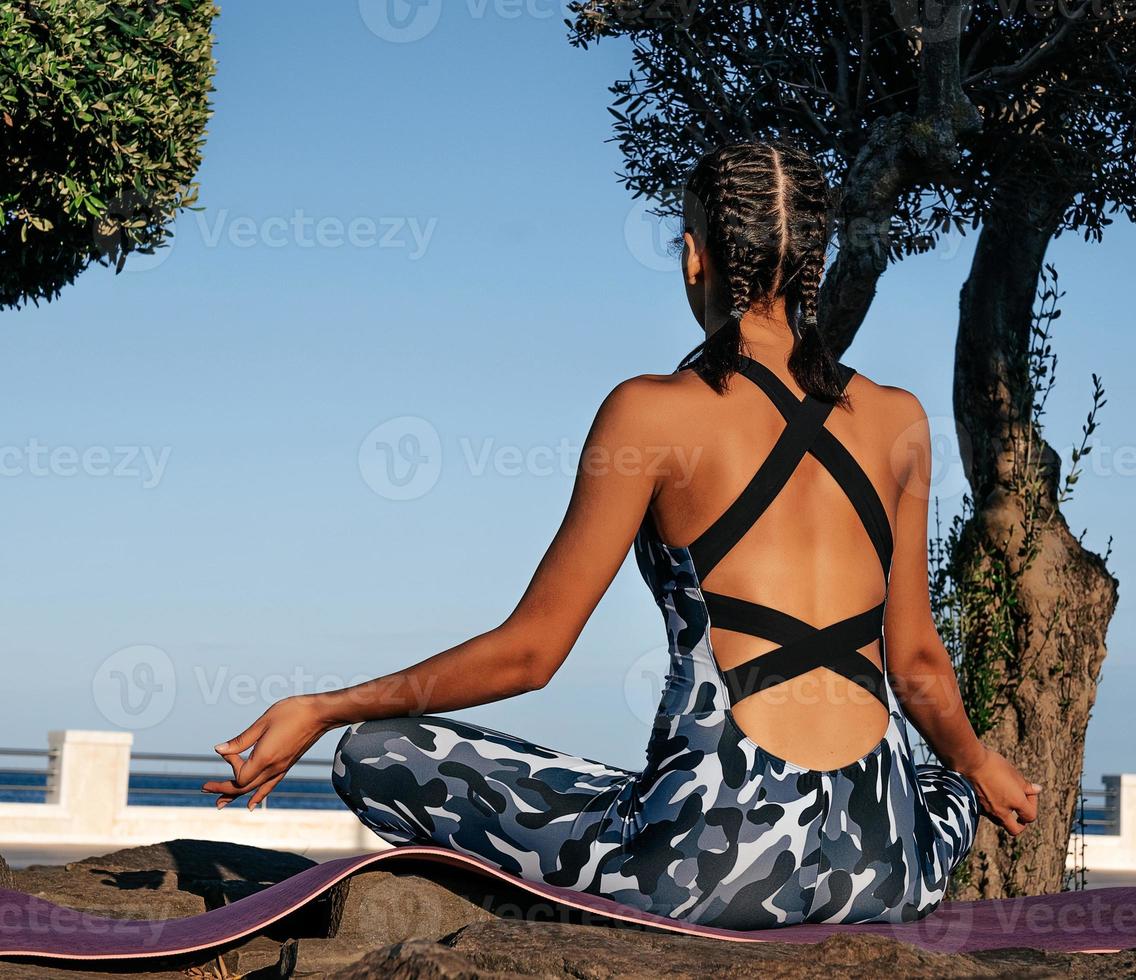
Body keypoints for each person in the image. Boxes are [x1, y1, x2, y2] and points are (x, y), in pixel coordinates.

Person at [203, 141, 1041, 930]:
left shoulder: (650, 411)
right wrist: (978, 766)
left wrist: (322, 707)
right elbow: (920, 662)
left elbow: (528, 656)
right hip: (883, 870)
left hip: (709, 871)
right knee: (946, 784)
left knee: (373, 751)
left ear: (692, 255)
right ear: (814, 267)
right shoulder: (898, 418)